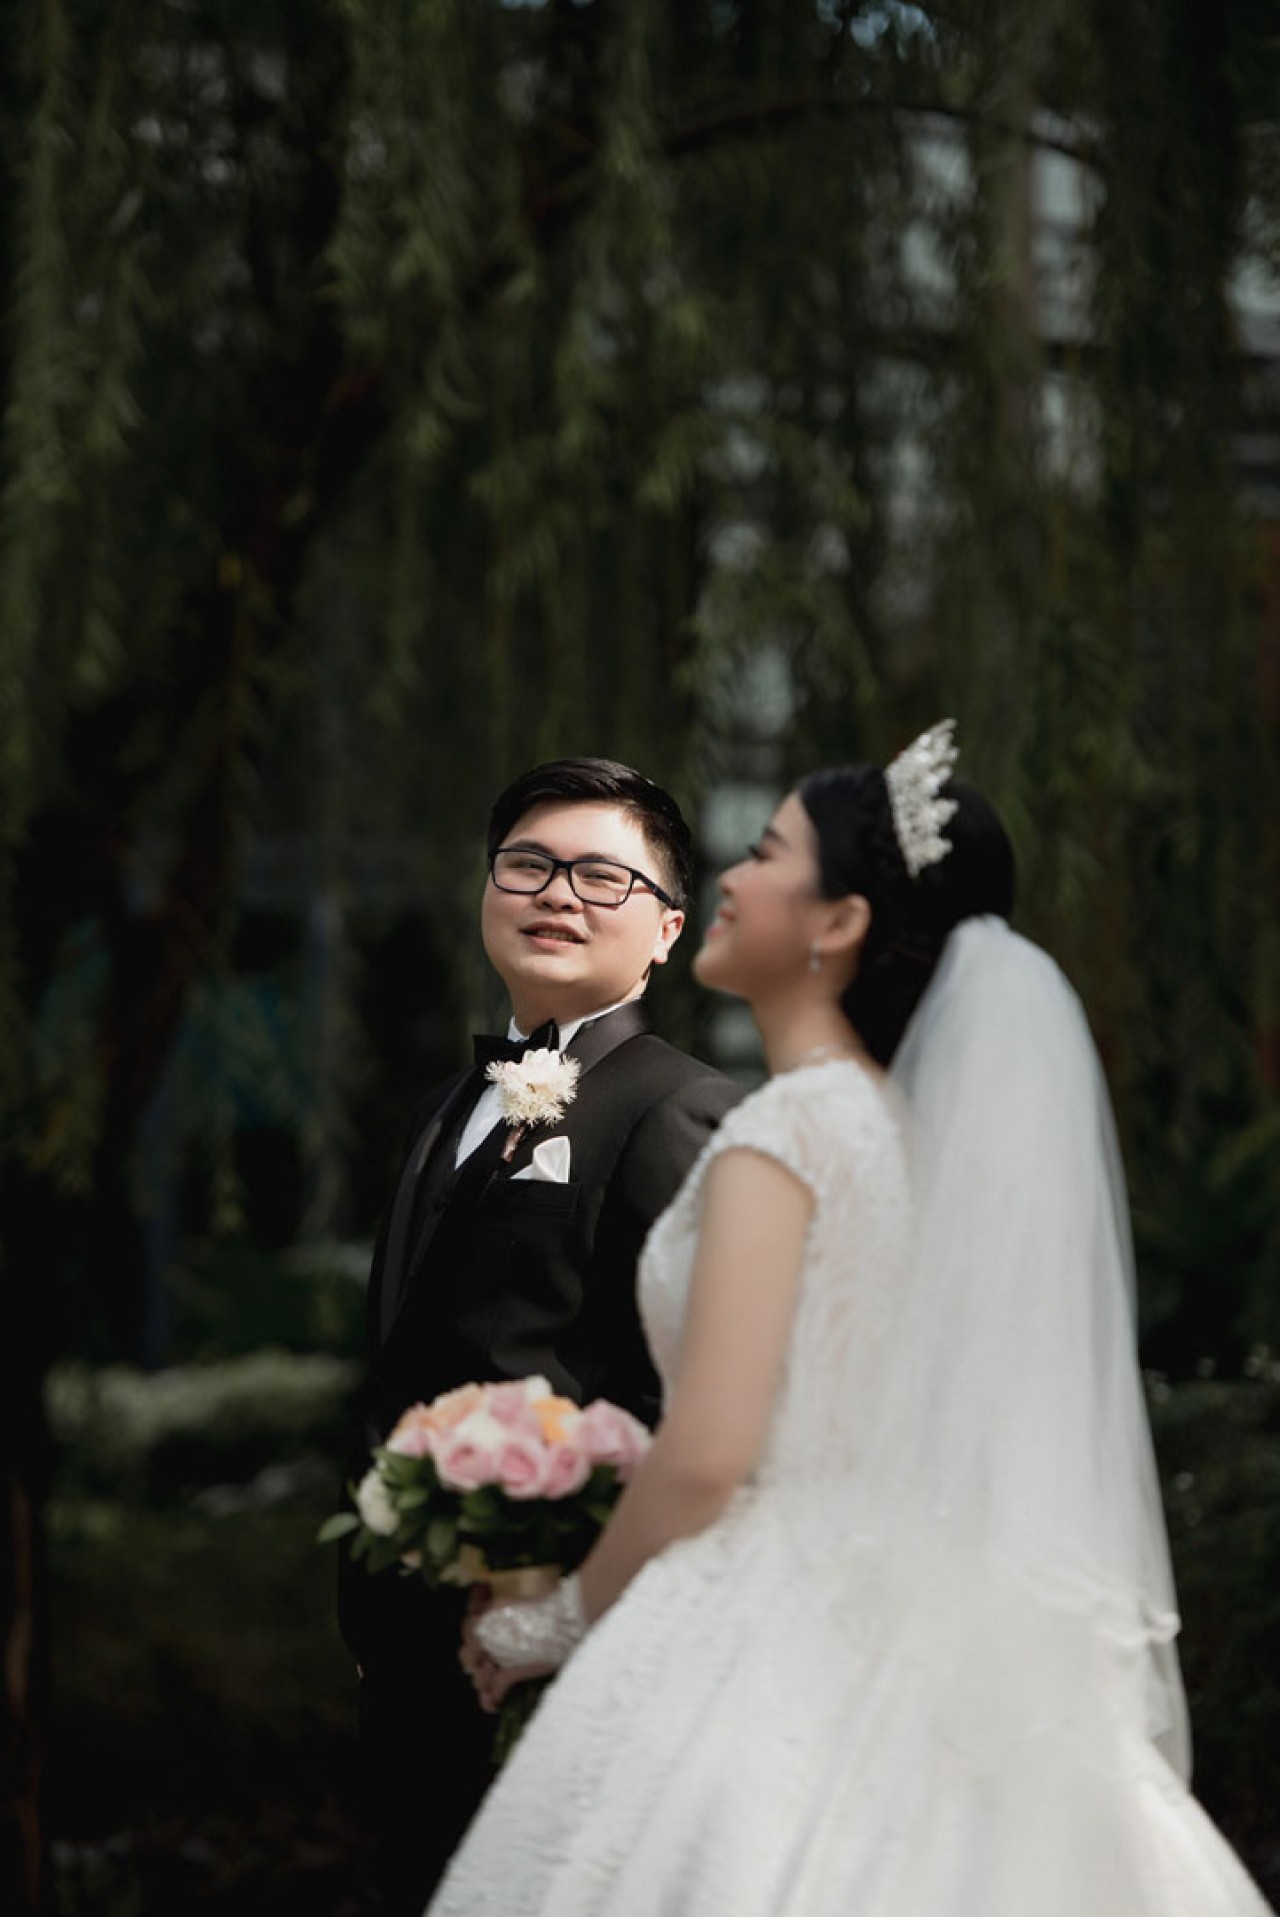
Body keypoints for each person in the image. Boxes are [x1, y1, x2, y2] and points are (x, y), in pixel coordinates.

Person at [426, 721, 1276, 1916]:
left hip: (760, 1624)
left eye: (767, 852)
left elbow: (708, 1454)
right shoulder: (906, 1139)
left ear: (835, 921)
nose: (729, 876)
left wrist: (553, 1623)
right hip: (905, 1611)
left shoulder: (784, 1135)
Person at [339, 756, 743, 1914]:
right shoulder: (443, 1109)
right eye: (527, 864)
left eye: (601, 877)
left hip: (562, 1650)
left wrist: (565, 1591)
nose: (556, 892)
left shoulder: (677, 1109)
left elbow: (700, 1394)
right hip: (407, 1650)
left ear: (666, 930)